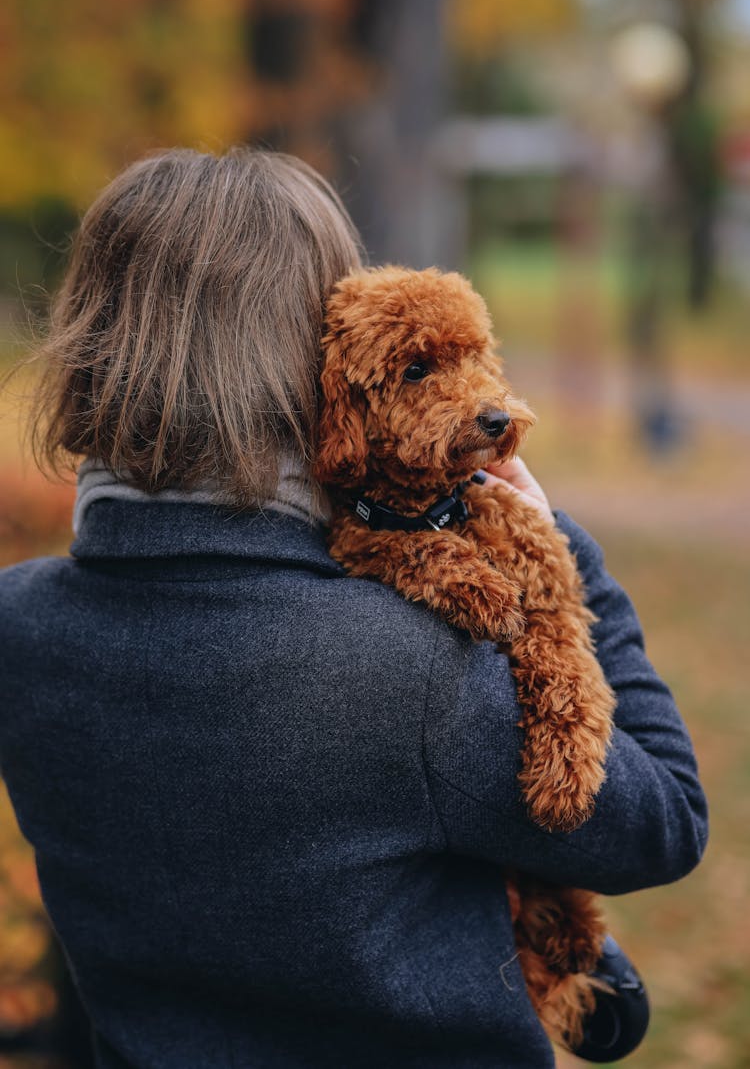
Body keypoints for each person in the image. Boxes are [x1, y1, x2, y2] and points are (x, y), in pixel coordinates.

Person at [0, 148, 707, 1069]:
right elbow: (664, 822)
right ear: (315, 361)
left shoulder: (22, 628)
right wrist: (556, 549)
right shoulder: (406, 664)